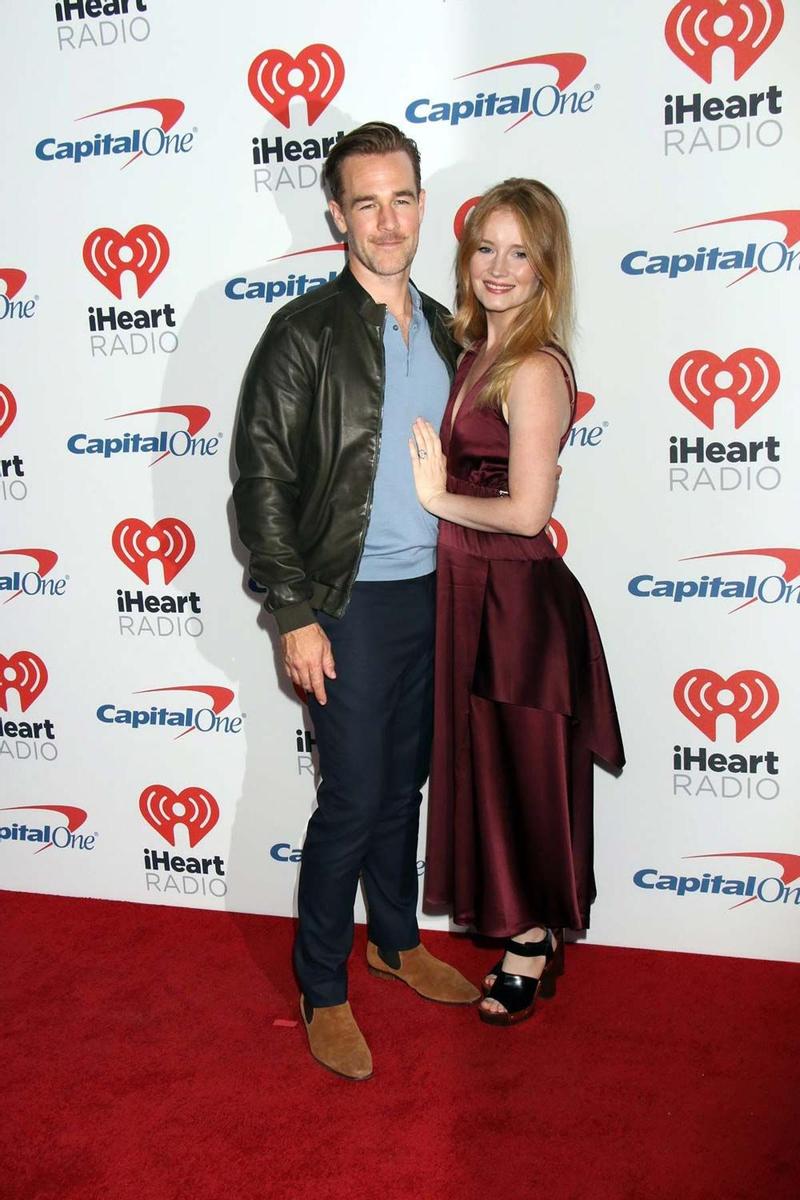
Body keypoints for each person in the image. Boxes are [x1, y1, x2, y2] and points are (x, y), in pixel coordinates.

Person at [233, 122, 480, 1081]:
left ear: (423, 207)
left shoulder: (450, 331)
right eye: (366, 202)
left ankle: (396, 940)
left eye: (402, 198)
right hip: (345, 601)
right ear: (336, 214)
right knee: (353, 796)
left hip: (435, 596)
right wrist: (293, 610)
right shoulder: (303, 332)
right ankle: (322, 986)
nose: (387, 219)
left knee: (404, 784)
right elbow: (260, 478)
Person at [410, 178, 625, 1026]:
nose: (498, 268)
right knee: (489, 775)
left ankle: (531, 941)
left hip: (519, 605)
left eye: (520, 253)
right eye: (485, 248)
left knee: (523, 777)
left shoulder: (533, 368)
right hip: (473, 593)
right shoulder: (474, 353)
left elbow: (530, 512)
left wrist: (438, 501)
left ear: (546, 269)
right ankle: (524, 926)